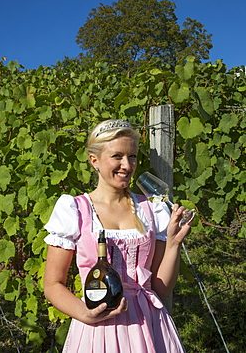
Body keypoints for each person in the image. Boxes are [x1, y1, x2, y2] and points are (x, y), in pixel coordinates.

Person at [44, 119, 191, 353]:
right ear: (94, 160)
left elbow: (158, 289)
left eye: (132, 156)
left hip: (148, 325)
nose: (127, 165)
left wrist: (173, 243)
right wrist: (86, 314)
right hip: (98, 329)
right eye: (117, 156)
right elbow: (52, 284)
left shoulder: (151, 210)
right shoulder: (75, 210)